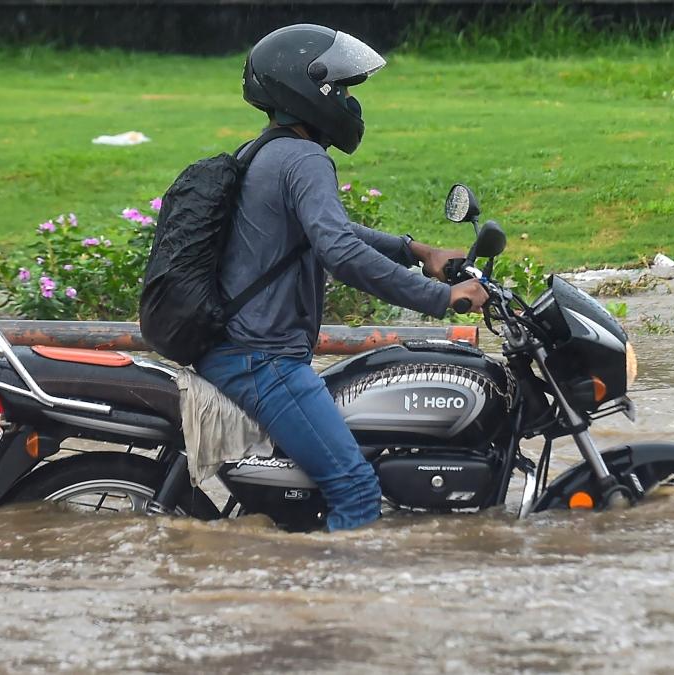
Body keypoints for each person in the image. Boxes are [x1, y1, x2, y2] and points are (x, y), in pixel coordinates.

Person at [195, 24, 489, 531]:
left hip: (239, 350)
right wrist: (443, 298)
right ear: (311, 89)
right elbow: (341, 252)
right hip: (262, 360)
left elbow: (329, 231)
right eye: (345, 90)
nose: (350, 103)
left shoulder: (266, 151)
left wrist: (414, 250)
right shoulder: (304, 158)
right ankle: (331, 606)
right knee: (354, 488)